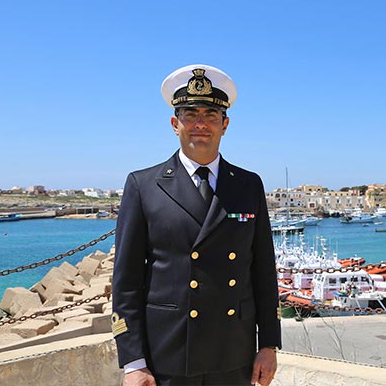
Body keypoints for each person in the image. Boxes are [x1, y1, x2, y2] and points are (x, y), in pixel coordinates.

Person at [112, 64, 281, 386]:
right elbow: (127, 282)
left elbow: (263, 272)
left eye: (210, 115)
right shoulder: (143, 185)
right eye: (190, 114)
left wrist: (269, 345)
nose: (200, 123)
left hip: (234, 351)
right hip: (168, 351)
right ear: (175, 124)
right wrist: (133, 361)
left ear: (225, 125)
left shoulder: (248, 184)